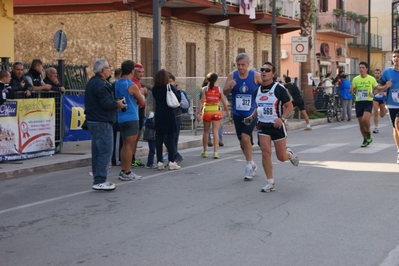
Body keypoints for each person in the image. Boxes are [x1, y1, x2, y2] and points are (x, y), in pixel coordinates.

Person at [244, 62, 299, 193]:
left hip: (277, 126)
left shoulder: (279, 88)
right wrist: (251, 117)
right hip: (263, 126)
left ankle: (289, 154)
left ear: (273, 74)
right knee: (265, 153)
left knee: (281, 156)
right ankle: (270, 182)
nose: (264, 72)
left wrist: (282, 119)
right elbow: (259, 108)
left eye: (267, 70)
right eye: (262, 70)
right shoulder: (256, 91)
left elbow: (289, 106)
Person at [84, 58, 126, 191]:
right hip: (102, 121)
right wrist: (117, 104)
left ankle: (98, 176)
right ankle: (100, 179)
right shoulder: (101, 85)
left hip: (94, 120)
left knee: (97, 150)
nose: (110, 70)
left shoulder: (93, 82)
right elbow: (105, 103)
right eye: (108, 68)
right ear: (103, 70)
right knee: (105, 150)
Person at [223, 53, 262, 180]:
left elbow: (266, 88)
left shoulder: (255, 76)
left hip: (251, 113)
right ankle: (251, 163)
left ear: (248, 64)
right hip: (238, 113)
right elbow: (224, 92)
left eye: (243, 65)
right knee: (242, 143)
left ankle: (248, 167)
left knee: (245, 138)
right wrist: (229, 87)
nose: (240, 67)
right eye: (238, 65)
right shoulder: (232, 76)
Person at [114, 60, 146, 181]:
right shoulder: (131, 85)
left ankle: (124, 169)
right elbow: (142, 101)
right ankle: (127, 171)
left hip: (121, 116)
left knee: (124, 144)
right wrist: (141, 93)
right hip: (131, 116)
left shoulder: (117, 83)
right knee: (129, 145)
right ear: (132, 71)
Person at [152, 69, 181, 171]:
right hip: (169, 114)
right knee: (171, 138)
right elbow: (178, 99)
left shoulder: (154, 89)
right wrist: (179, 91)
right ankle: (171, 161)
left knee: (159, 137)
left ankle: (160, 161)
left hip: (159, 114)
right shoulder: (170, 87)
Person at [197, 72, 229, 159]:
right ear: (216, 80)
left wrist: (198, 113)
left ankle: (205, 151)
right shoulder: (219, 89)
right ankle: (215, 152)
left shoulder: (205, 89)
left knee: (206, 132)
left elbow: (201, 101)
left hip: (207, 111)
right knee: (215, 132)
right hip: (216, 112)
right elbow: (223, 101)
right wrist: (227, 111)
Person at [376, 49, 399, 163]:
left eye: (398, 56)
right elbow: (378, 88)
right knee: (395, 128)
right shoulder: (387, 72)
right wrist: (386, 86)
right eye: (394, 56)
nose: (396, 59)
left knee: (398, 124)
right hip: (392, 103)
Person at [350, 61, 377, 148]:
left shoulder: (371, 79)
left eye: (363, 68)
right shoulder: (355, 79)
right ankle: (365, 139)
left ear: (366, 69)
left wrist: (374, 94)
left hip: (368, 101)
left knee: (365, 119)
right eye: (360, 68)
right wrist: (351, 90)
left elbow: (377, 88)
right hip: (359, 102)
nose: (361, 69)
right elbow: (352, 91)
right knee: (361, 123)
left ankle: (368, 132)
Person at [169, 74, 189, 163]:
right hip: (168, 117)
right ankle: (173, 154)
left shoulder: (179, 92)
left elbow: (186, 104)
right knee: (168, 138)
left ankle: (175, 155)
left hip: (177, 116)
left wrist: (177, 100)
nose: (169, 84)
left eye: (171, 82)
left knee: (174, 138)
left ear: (174, 82)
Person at [131, 63, 147, 167]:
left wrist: (144, 92)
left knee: (137, 135)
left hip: (140, 110)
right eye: (139, 72)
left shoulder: (138, 82)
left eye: (142, 72)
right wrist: (142, 92)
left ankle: (133, 157)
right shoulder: (133, 83)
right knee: (133, 136)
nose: (141, 74)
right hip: (136, 110)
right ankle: (131, 158)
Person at [111, 68, 122, 166]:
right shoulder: (116, 85)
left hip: (116, 115)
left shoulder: (113, 84)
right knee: (116, 138)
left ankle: (116, 158)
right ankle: (115, 159)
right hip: (116, 115)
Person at [372, 68, 387, 133]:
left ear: (380, 74)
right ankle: (376, 127)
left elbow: (387, 87)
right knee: (375, 111)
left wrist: (385, 93)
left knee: (382, 115)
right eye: (376, 73)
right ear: (374, 74)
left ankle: (385, 111)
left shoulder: (383, 81)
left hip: (382, 98)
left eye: (378, 73)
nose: (377, 75)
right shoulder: (373, 80)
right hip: (375, 98)